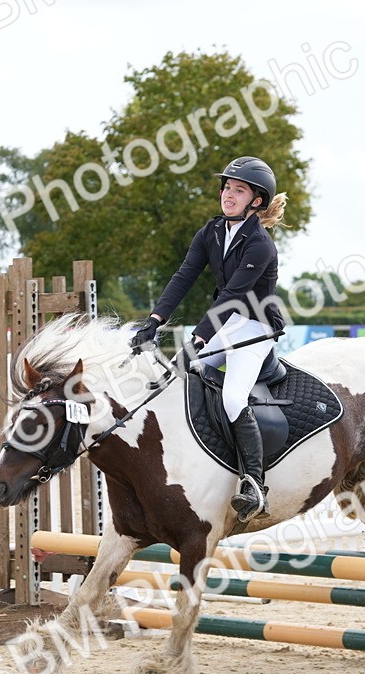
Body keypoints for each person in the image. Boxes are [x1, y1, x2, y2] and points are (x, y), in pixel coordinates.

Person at [129, 156, 287, 522]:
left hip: (256, 327)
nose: (228, 195)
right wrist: (155, 320)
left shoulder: (260, 244)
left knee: (233, 396)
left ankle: (254, 484)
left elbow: (232, 295)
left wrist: (198, 340)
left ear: (257, 201)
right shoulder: (212, 231)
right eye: (227, 187)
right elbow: (184, 276)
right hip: (228, 321)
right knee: (175, 379)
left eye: (239, 190)